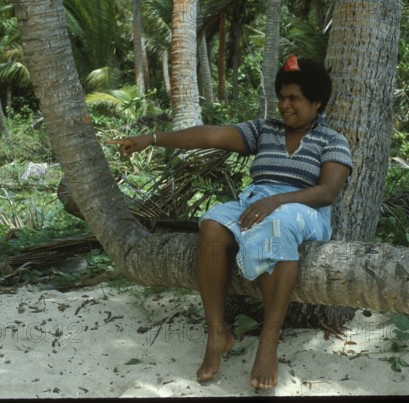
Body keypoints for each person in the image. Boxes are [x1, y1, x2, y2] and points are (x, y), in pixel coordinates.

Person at [108, 56, 354, 390]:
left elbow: (327, 192)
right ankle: (217, 332)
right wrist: (151, 139)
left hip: (302, 208)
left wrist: (276, 201)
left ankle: (269, 343)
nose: (284, 105)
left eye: (294, 98)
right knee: (211, 224)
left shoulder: (333, 140)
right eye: (281, 97)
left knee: (277, 226)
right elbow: (208, 135)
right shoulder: (265, 131)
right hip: (256, 203)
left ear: (317, 102)